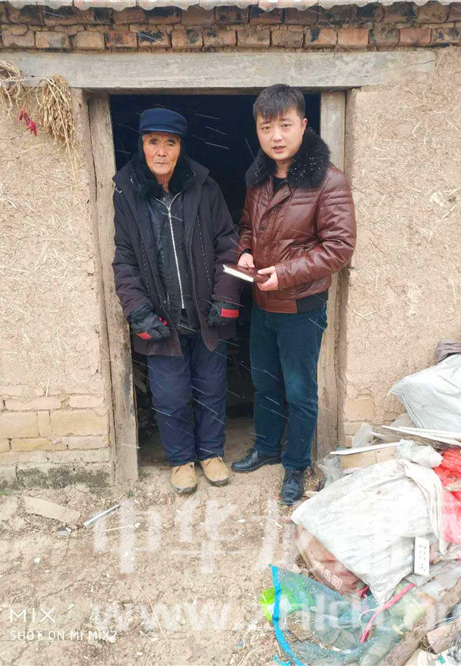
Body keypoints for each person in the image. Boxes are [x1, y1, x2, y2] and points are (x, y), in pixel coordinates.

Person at [232, 85, 356, 505]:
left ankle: (296, 465)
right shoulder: (259, 179)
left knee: (300, 391)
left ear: (303, 125)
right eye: (266, 127)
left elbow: (339, 247)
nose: (276, 136)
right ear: (257, 130)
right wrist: (245, 251)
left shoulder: (328, 181)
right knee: (265, 383)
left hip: (302, 306)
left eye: (285, 125)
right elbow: (247, 227)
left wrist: (283, 274)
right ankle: (267, 447)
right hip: (263, 301)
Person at [112, 108, 240, 495]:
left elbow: (227, 244)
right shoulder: (128, 192)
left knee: (211, 386)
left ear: (181, 147)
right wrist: (137, 310)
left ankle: (211, 453)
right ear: (142, 145)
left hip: (205, 311)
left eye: (170, 142)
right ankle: (181, 459)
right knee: (170, 395)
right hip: (160, 316)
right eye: (153, 142)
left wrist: (225, 296)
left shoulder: (204, 188)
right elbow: (124, 259)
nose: (162, 151)